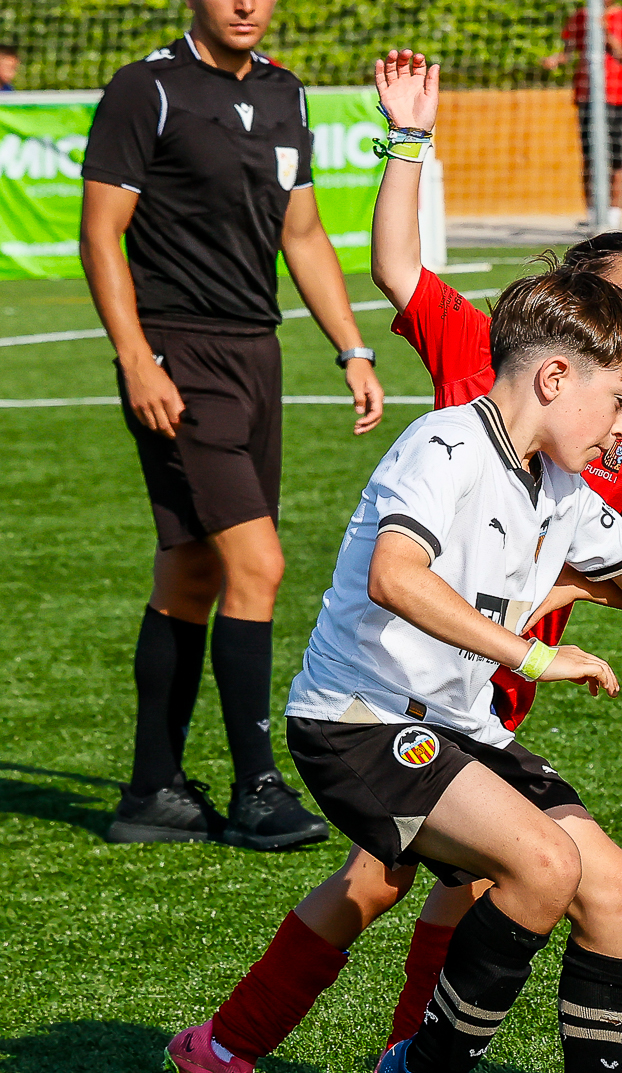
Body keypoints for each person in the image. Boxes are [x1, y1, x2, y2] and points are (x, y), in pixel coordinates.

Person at [159, 49, 622, 1073]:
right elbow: (399, 565)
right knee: (463, 872)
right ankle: (380, 1066)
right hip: (385, 706)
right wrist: (532, 643)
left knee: (573, 879)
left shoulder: (597, 452)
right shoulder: (465, 420)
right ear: (570, 341)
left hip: (472, 704)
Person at [174, 268, 622, 1073]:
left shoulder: (559, 486)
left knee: (616, 888)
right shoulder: (446, 442)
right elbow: (395, 575)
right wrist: (530, 655)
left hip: (456, 726)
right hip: (359, 722)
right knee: (540, 863)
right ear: (555, 377)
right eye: (618, 402)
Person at [80, 0, 386, 852]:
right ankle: (257, 788)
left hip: (258, 355)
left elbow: (304, 233)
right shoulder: (147, 88)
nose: (246, 4)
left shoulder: (288, 93)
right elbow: (101, 235)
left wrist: (353, 348)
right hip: (178, 354)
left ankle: (151, 791)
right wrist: (136, 358)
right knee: (258, 563)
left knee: (190, 570)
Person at [543, 3, 622, 232]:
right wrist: (554, 60)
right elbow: (568, 51)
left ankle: (613, 215)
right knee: (590, 158)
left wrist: (606, 33)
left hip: (617, 97)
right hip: (587, 96)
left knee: (620, 159)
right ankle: (593, 215)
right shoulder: (581, 16)